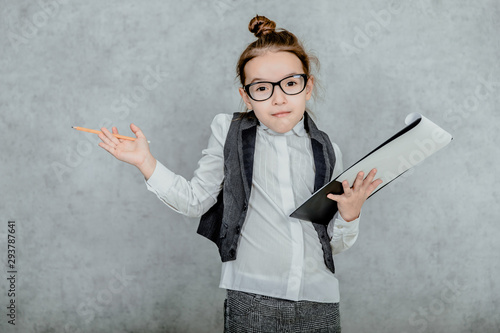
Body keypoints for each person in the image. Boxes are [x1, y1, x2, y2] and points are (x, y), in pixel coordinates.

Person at [98, 15, 382, 333]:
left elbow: (331, 243)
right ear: (246, 96)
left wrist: (351, 215)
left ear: (308, 86)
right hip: (252, 297)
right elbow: (195, 201)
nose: (278, 97)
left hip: (319, 299)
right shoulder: (229, 131)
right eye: (262, 88)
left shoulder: (328, 149)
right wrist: (145, 162)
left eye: (290, 83)